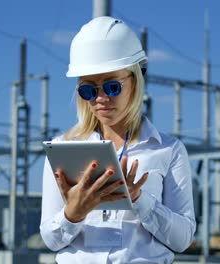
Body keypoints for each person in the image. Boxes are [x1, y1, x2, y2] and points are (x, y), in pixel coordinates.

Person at [40, 16, 196, 264]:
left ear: (134, 82)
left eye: (112, 87)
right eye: (88, 90)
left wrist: (139, 200)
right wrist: (73, 214)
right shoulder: (61, 149)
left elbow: (183, 239)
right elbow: (51, 240)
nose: (100, 98)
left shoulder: (168, 151)